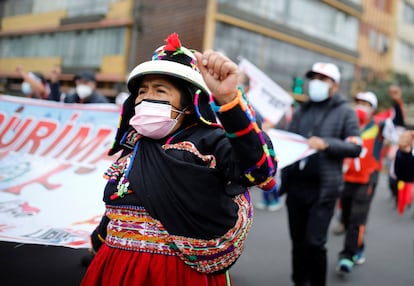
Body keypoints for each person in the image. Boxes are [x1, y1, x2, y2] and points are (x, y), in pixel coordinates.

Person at [81, 33, 277, 286]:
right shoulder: (134, 145)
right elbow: (116, 205)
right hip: (114, 267)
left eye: (160, 90)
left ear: (189, 100)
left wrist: (229, 101)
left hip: (176, 275)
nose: (145, 98)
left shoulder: (211, 141)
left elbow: (260, 170)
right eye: (142, 91)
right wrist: (98, 241)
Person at [280, 62, 362, 286]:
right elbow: (287, 140)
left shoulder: (345, 111)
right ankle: (299, 280)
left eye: (322, 79)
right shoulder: (301, 110)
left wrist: (326, 144)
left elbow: (356, 146)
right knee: (297, 242)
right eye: (314, 77)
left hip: (323, 188)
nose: (316, 82)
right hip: (296, 185)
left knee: (315, 243)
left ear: (334, 86)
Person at [335, 91, 387, 275]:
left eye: (365, 103)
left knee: (358, 218)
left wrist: (396, 103)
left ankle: (347, 256)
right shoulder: (349, 125)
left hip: (367, 179)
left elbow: (394, 127)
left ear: (373, 109)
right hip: (347, 177)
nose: (361, 106)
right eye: (358, 102)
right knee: (348, 216)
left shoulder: (380, 126)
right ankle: (358, 246)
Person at [237, 71, 282, 211]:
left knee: (264, 174)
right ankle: (266, 199)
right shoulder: (217, 102)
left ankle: (273, 200)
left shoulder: (252, 108)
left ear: (247, 87)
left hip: (253, 151)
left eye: (239, 81)